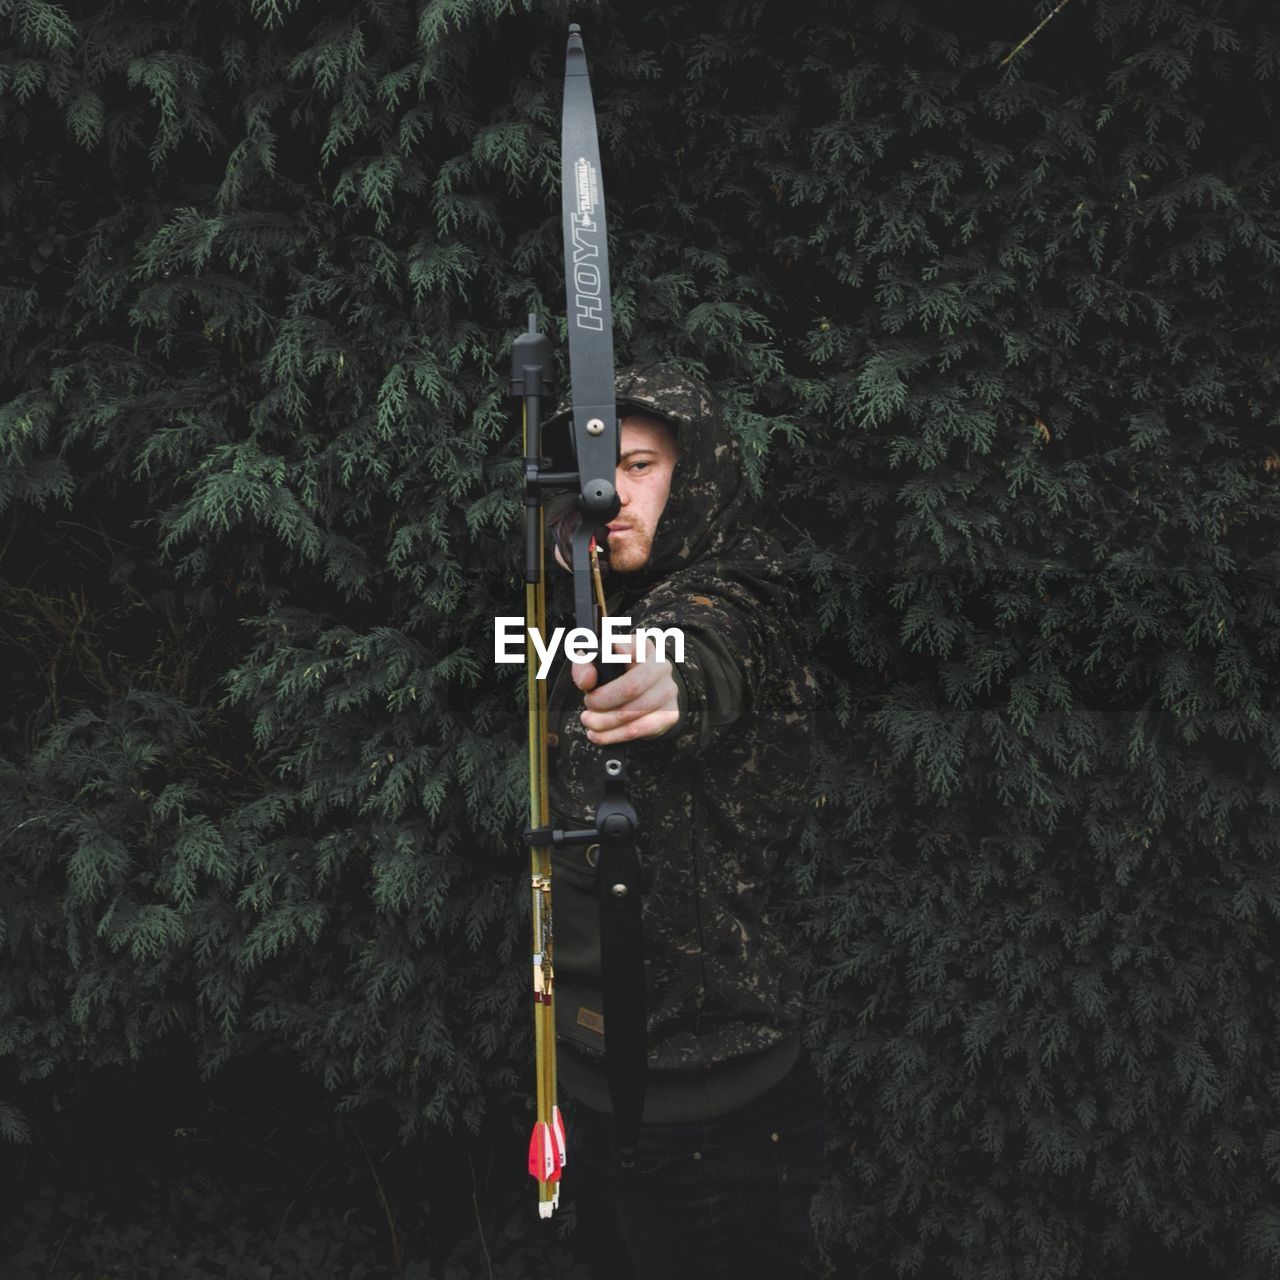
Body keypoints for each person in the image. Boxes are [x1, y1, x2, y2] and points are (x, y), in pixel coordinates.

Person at [541, 364, 825, 1278]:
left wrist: (667, 672)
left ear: (695, 476)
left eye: (640, 465)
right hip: (591, 1088)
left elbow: (705, 643)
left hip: (714, 1118)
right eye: (596, 469)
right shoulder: (592, 592)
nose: (611, 494)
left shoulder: (741, 587)